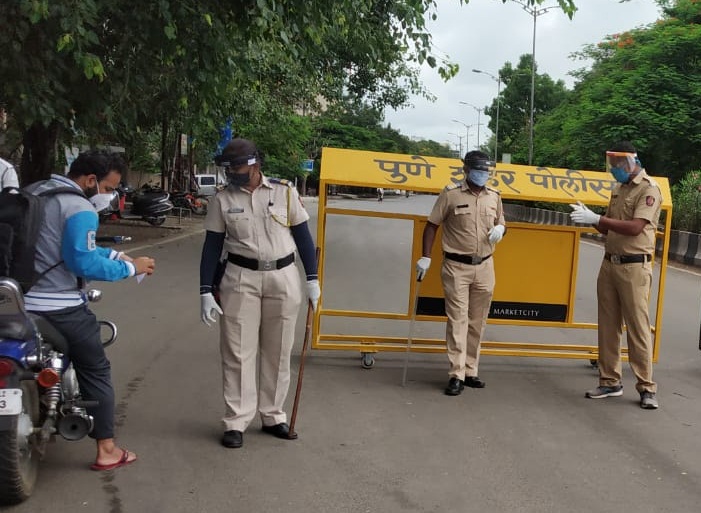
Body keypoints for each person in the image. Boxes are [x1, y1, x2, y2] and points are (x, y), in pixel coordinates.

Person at [24, 150, 156, 470]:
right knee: (95, 368)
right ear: (91, 180)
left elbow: (67, 246)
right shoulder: (79, 206)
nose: (109, 196)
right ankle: (107, 448)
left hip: (16, 304)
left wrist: (115, 257)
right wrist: (129, 269)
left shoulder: (31, 194)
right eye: (110, 188)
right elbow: (80, 261)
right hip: (59, 309)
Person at [199, 138, 320, 449]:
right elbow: (212, 246)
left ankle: (272, 415)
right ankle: (236, 420)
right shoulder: (222, 200)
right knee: (238, 351)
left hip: (283, 276)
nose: (232, 173)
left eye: (237, 167)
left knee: (278, 351)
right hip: (240, 278)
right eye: (228, 168)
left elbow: (303, 238)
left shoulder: (284, 191)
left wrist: (312, 279)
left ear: (255, 163)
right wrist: (204, 291)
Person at [569, 141, 662, 410]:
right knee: (608, 326)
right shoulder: (618, 188)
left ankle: (646, 387)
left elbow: (634, 228)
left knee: (637, 328)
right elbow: (608, 229)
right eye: (611, 163)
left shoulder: (649, 189)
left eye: (617, 164)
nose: (614, 169)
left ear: (630, 162)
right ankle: (609, 381)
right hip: (610, 265)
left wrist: (597, 218)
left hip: (634, 267)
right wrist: (590, 219)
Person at [416, 150, 506, 396]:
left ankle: (470, 371)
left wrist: (500, 228)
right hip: (456, 267)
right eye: (478, 170)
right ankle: (456, 374)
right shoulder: (451, 194)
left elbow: (502, 222)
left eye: (486, 171)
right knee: (458, 320)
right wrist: (426, 257)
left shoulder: (494, 196)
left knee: (478, 321)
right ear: (466, 170)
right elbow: (432, 225)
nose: (483, 175)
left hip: (485, 266)